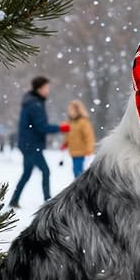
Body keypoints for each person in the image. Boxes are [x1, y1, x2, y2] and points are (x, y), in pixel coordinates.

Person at [8, 76, 68, 208]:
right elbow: (41, 127)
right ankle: (48, 202)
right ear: (39, 88)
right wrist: (61, 127)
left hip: (27, 144)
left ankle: (14, 200)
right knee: (45, 171)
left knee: (27, 173)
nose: (48, 90)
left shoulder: (33, 102)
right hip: (31, 145)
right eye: (46, 88)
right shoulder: (35, 104)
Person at [61, 100, 96, 178]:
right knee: (76, 171)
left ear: (78, 110)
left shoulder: (83, 122)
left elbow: (89, 137)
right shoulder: (70, 122)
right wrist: (65, 143)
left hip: (82, 152)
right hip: (73, 152)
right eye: (69, 109)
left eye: (72, 109)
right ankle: (79, 187)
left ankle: (80, 188)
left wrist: (89, 149)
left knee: (78, 173)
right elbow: (69, 135)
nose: (70, 112)